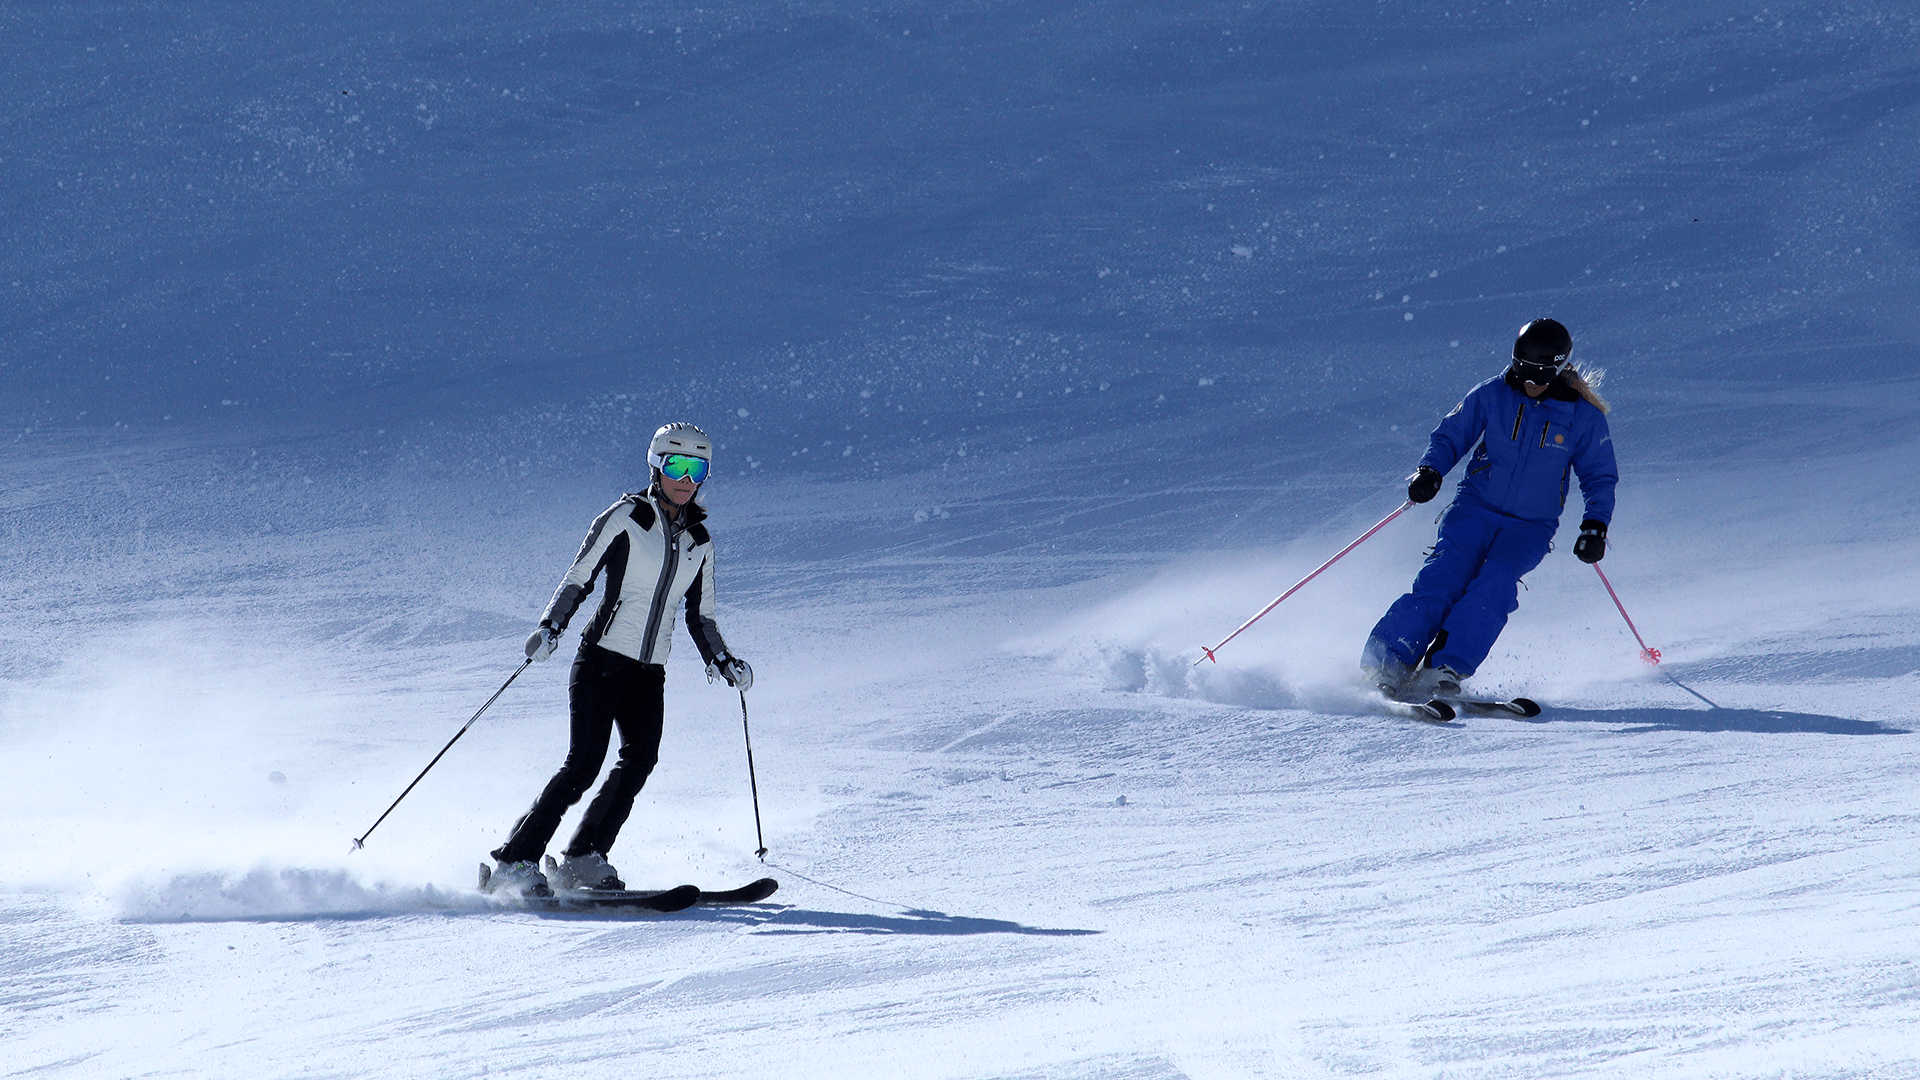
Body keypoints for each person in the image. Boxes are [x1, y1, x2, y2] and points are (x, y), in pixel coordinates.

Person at [485, 422, 753, 896]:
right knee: (583, 764)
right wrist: (552, 627)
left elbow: (701, 614)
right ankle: (516, 859)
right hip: (601, 661)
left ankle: (584, 856)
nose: (686, 479)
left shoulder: (700, 541)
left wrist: (724, 660)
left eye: (697, 468)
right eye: (677, 466)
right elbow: (580, 575)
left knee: (640, 759)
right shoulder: (627, 516)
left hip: (649, 673)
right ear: (657, 465)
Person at [1362, 318, 1617, 699]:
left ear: (1559, 370)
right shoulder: (1493, 394)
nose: (1529, 385)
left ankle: (1444, 668)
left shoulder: (1583, 417)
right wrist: (1431, 470)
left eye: (1539, 378)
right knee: (1444, 576)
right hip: (1475, 507)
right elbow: (1453, 432)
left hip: (1530, 525)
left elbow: (1599, 475)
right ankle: (1389, 661)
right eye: (1522, 373)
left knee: (1494, 585)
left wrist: (1595, 525)